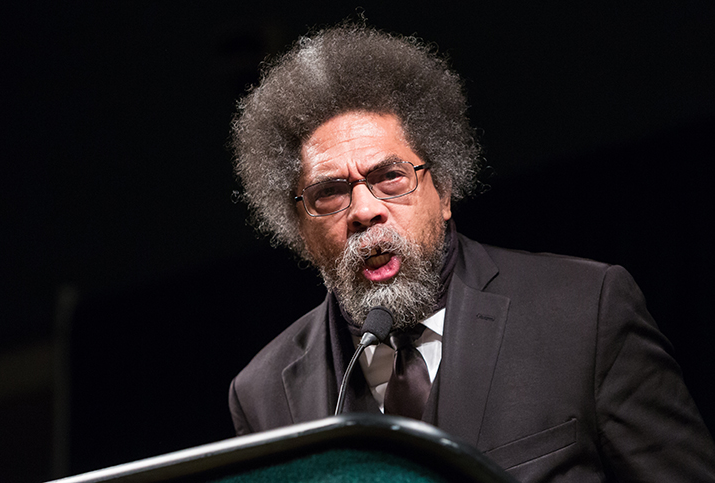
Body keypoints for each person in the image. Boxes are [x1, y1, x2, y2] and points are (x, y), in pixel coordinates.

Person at [226, 23, 715, 482]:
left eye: (390, 177)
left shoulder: (586, 312)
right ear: (299, 228)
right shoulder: (262, 394)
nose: (364, 210)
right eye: (330, 193)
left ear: (444, 190)